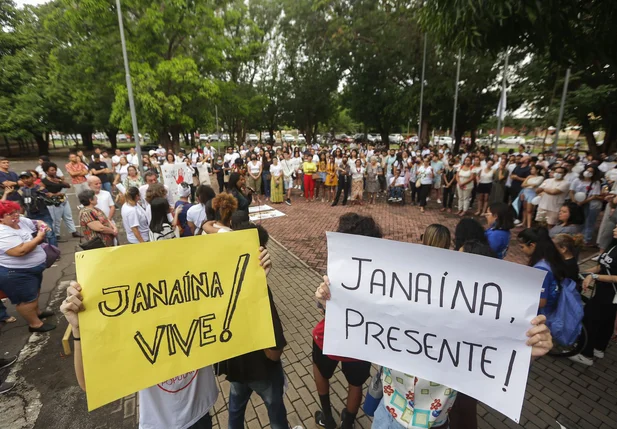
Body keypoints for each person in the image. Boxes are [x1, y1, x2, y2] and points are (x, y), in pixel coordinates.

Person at [315, 218, 554, 429]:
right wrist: (333, 300)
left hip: (435, 422)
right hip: (387, 415)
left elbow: (497, 359)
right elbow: (363, 319)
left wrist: (527, 351)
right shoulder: (404, 299)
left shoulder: (473, 328)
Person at [313, 214, 379, 429]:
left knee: (320, 371)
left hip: (330, 337)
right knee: (355, 383)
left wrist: (322, 302)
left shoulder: (337, 269)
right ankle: (347, 423)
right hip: (361, 342)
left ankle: (328, 416)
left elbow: (325, 309)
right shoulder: (381, 276)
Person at [0, 200, 55, 332]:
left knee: (33, 293)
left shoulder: (20, 221)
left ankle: (37, 312)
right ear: (1, 218)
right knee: (26, 300)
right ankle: (35, 324)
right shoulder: (3, 232)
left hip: (31, 269)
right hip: (16, 272)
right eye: (10, 214)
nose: (16, 215)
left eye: (16, 211)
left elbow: (35, 222)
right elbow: (19, 251)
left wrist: (42, 225)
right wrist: (39, 237)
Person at [569, 226, 617, 366]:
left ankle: (585, 354)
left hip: (611, 293)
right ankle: (598, 348)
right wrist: (583, 272)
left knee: (590, 318)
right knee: (606, 320)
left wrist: (594, 276)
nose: (614, 229)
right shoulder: (613, 244)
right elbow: (602, 266)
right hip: (603, 291)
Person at [518, 227, 568, 316]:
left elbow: (541, 301)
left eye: (522, 247)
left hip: (544, 315)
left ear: (532, 245)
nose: (521, 250)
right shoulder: (550, 258)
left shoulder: (541, 269)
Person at [40, 162, 80, 239]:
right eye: (52, 170)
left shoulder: (58, 178)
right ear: (46, 172)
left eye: (55, 170)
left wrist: (60, 181)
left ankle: (73, 231)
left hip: (63, 200)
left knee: (68, 216)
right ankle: (56, 234)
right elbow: (44, 193)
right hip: (54, 202)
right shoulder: (44, 181)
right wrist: (55, 194)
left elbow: (67, 185)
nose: (54, 171)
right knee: (56, 219)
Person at [17, 171, 58, 247]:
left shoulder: (40, 189)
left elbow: (49, 200)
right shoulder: (21, 192)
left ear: (33, 178)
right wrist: (21, 216)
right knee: (35, 235)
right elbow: (21, 205)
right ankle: (44, 251)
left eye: (27, 178)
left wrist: (49, 196)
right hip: (30, 216)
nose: (26, 180)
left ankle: (54, 251)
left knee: (49, 234)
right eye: (23, 178)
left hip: (43, 215)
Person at [570, 164, 603, 246]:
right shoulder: (577, 180)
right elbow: (571, 191)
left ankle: (586, 240)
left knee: (589, 222)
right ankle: (577, 237)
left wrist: (583, 202)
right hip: (578, 203)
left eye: (591, 171)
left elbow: (594, 195)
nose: (588, 172)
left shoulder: (595, 182)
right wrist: (574, 201)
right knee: (579, 221)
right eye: (587, 170)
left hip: (591, 205)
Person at [520, 165, 544, 229]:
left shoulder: (540, 177)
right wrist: (529, 184)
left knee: (529, 210)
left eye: (533, 169)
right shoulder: (529, 176)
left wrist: (527, 184)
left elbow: (535, 185)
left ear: (537, 170)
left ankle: (529, 225)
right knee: (524, 209)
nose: (531, 170)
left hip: (532, 193)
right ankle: (523, 222)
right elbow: (522, 185)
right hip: (525, 192)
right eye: (531, 169)